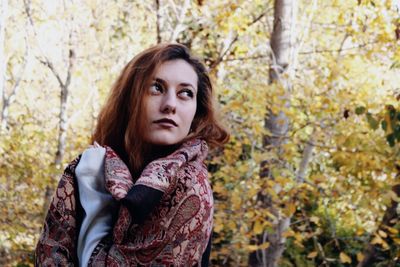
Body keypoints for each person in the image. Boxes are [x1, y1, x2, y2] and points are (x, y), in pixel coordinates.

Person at [35, 43, 229, 266]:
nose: (170, 105)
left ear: (196, 111)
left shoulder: (191, 184)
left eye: (185, 93)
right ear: (130, 99)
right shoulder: (87, 169)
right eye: (156, 88)